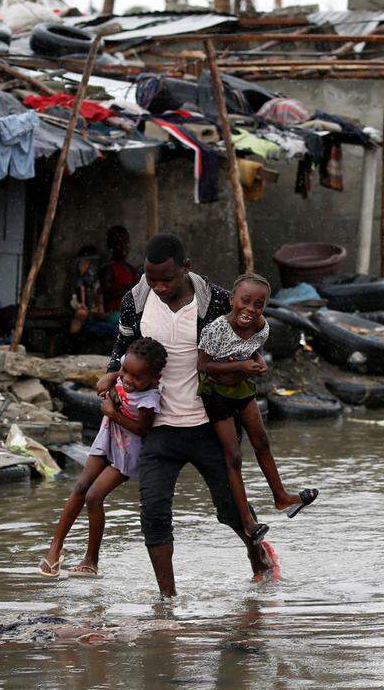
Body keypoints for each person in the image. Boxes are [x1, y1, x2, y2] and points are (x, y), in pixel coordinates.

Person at [95, 233, 275, 597]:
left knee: (230, 510)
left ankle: (260, 561)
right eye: (151, 278)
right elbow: (123, 346)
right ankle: (167, 600)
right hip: (159, 427)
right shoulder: (136, 299)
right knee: (154, 515)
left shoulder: (218, 300)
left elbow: (250, 335)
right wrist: (112, 370)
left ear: (185, 269)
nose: (158, 286)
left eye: (166, 279)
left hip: (209, 422)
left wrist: (250, 366)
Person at [196, 272, 317, 544]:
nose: (250, 309)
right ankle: (247, 521)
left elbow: (251, 349)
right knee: (234, 456)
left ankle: (281, 497)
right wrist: (240, 366)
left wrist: (257, 361)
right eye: (245, 301)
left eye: (258, 305)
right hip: (217, 394)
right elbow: (202, 366)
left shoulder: (261, 327)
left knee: (262, 441)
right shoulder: (216, 329)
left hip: (242, 388)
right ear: (232, 300)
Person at [39, 337, 167, 578]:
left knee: (94, 497)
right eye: (126, 372)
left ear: (154, 378)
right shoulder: (125, 370)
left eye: (137, 378)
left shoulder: (149, 400)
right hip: (108, 436)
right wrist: (111, 380)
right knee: (80, 486)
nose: (128, 380)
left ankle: (91, 560)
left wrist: (112, 412)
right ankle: (55, 548)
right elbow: (104, 382)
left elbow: (142, 430)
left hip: (128, 451)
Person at [68, 245, 115, 337]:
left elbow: (99, 306)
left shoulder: (95, 284)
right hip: (86, 322)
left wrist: (101, 313)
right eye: (85, 262)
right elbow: (75, 303)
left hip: (94, 319)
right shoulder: (77, 283)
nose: (88, 267)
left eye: (90, 263)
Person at [101, 225, 140, 323]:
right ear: (111, 246)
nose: (124, 247)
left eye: (126, 243)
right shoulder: (109, 269)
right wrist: (131, 287)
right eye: (119, 243)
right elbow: (106, 297)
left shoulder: (131, 269)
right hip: (115, 314)